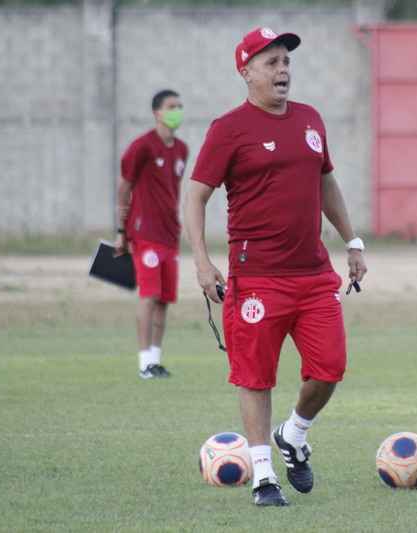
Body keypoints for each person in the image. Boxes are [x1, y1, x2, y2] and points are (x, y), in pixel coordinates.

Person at [184, 28, 367, 506]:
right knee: (255, 377)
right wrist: (203, 263)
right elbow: (196, 196)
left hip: (313, 275)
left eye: (286, 61)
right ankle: (264, 477)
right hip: (256, 278)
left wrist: (353, 242)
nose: (283, 70)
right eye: (272, 63)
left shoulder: (310, 119)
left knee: (329, 371)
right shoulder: (228, 129)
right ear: (246, 73)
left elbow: (327, 184)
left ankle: (295, 434)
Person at [115, 89, 189, 378]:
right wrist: (121, 229)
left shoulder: (182, 149)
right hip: (144, 233)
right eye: (172, 106)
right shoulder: (142, 146)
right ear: (157, 113)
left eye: (180, 106)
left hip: (171, 234)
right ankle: (144, 363)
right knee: (149, 296)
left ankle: (156, 360)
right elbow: (124, 187)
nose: (178, 111)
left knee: (165, 299)